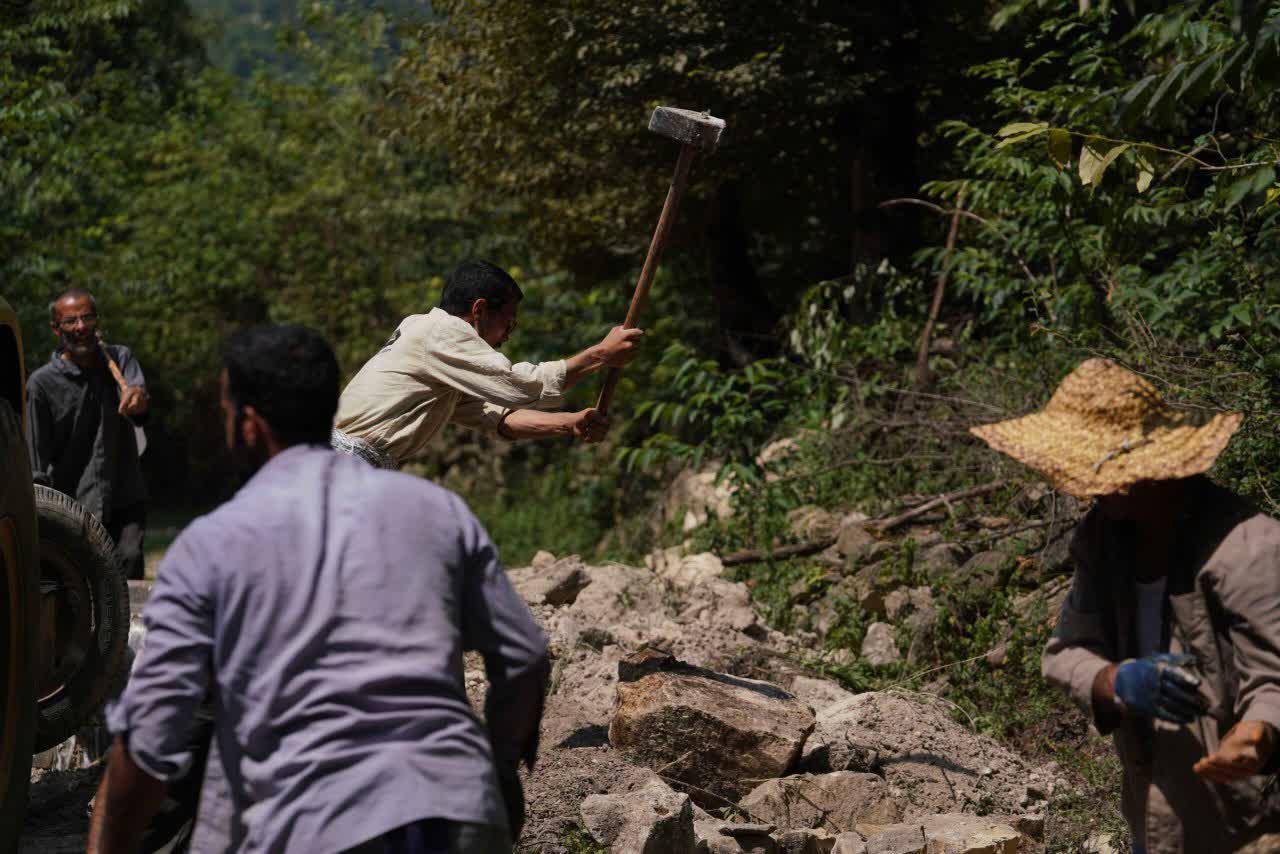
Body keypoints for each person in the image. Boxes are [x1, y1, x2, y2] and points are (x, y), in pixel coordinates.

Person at [88, 325, 549, 854]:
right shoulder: (436, 512)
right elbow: (524, 656)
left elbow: (149, 740)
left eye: (225, 414)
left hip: (316, 822)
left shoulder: (212, 545)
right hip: (461, 815)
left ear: (248, 425)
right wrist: (497, 767)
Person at [971, 358, 1280, 854]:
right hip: (1150, 803)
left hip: (1240, 819)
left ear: (1141, 477)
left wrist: (1257, 733)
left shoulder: (1249, 548)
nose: (1087, 492)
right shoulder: (1104, 542)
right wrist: (1119, 681)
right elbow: (1065, 652)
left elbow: (1274, 676)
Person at [332, 259, 643, 467]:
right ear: (479, 309)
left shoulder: (439, 356)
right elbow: (519, 386)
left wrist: (569, 423)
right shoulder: (442, 331)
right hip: (342, 464)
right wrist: (601, 354)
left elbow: (495, 418)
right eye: (508, 323)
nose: (508, 335)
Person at [26, 288, 150, 579]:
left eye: (87, 318)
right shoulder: (41, 385)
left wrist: (138, 399)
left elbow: (140, 404)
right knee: (82, 586)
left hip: (124, 495)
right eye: (71, 321)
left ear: (97, 322)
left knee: (129, 568)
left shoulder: (120, 360)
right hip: (74, 505)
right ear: (56, 329)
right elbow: (36, 464)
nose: (81, 327)